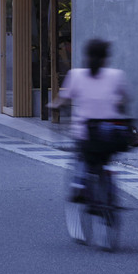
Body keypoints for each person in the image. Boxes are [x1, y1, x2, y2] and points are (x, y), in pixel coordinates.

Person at [52, 38, 132, 203]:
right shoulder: (117, 75)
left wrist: (53, 106)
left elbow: (63, 100)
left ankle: (80, 183)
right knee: (106, 156)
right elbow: (126, 99)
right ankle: (108, 179)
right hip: (113, 134)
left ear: (86, 56)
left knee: (82, 155)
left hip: (87, 134)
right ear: (106, 58)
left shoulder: (76, 75)